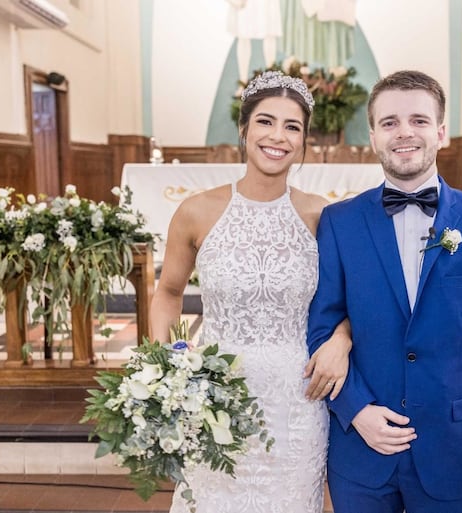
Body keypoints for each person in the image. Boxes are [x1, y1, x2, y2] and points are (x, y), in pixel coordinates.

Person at [307, 70, 462, 513]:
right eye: (389, 122)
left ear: (441, 132)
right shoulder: (339, 222)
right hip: (361, 449)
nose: (404, 132)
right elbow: (321, 327)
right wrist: (355, 410)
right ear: (373, 135)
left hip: (455, 448)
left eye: (419, 120)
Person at [150, 70, 351, 513]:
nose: (277, 136)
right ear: (244, 130)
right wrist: (170, 367)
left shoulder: (323, 216)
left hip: (299, 403)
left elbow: (357, 299)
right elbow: (167, 292)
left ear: (303, 142)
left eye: (292, 126)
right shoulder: (196, 212)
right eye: (265, 121)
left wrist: (342, 339)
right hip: (216, 399)